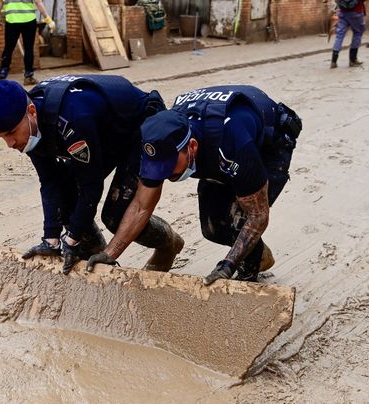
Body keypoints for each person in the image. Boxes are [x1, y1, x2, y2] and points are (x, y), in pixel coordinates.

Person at [86, 85, 302, 285]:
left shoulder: (232, 143)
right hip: (215, 147)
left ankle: (249, 273)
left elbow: (258, 216)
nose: (166, 173)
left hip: (267, 148)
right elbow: (142, 206)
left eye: (169, 165)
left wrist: (227, 266)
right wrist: (110, 253)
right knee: (213, 229)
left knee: (239, 221)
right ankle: (260, 253)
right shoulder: (161, 141)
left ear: (192, 146)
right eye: (158, 168)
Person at [0, 75, 184, 274]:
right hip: (102, 132)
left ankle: (168, 245)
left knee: (115, 216)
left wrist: (72, 238)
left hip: (137, 127)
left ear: (31, 111)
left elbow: (90, 184)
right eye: (1, 137)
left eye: (12, 133)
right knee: (66, 197)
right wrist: (51, 239)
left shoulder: (72, 118)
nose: (10, 143)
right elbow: (50, 181)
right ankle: (95, 262)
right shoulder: (30, 124)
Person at [0, 0, 55, 85]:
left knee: (8, 48)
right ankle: (28, 76)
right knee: (28, 48)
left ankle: (2, 74)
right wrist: (48, 19)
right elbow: (38, 2)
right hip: (29, 21)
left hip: (12, 22)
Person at [330, 0, 366, 68]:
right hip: (356, 13)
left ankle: (333, 61)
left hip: (343, 13)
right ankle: (352, 60)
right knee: (357, 33)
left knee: (339, 36)